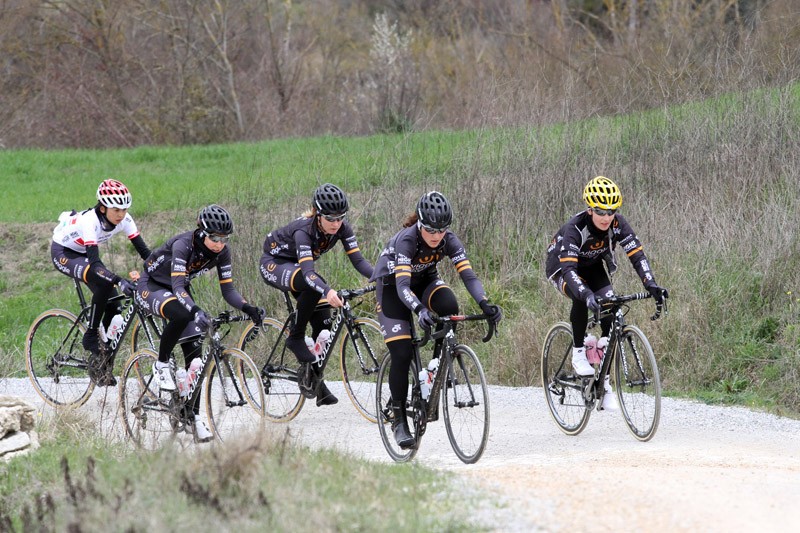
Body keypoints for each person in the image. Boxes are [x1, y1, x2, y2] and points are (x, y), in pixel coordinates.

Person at [370, 191, 502, 449]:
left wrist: (485, 303)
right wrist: (419, 310)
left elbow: (469, 276)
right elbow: (403, 286)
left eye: (441, 230)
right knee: (401, 351)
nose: (436, 235)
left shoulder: (448, 240)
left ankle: (434, 368)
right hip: (392, 287)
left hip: (425, 280)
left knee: (448, 306)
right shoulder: (406, 241)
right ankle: (398, 420)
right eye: (430, 229)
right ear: (419, 223)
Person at [135, 204, 264, 442]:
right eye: (215, 237)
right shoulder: (183, 245)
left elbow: (228, 290)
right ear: (202, 232)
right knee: (183, 314)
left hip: (180, 289)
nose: (220, 243)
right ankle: (161, 364)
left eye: (224, 238)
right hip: (153, 286)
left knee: (195, 358)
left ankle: (191, 416)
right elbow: (176, 287)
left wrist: (248, 308)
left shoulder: (222, 252)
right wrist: (195, 310)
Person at [545, 176, 668, 410]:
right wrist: (587, 294)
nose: (606, 217)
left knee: (611, 309)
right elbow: (570, 271)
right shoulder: (575, 228)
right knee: (581, 297)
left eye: (611, 211)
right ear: (590, 209)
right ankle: (579, 352)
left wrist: (651, 285)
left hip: (592, 267)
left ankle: (604, 381)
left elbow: (637, 255)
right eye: (601, 211)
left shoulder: (617, 224)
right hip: (562, 267)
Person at [259, 183, 374, 407]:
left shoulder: (342, 228)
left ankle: (315, 383)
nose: (336, 223)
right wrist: (327, 290)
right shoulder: (304, 231)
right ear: (317, 215)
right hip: (276, 264)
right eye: (330, 219)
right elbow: (309, 273)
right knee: (315, 285)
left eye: (340, 218)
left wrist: (380, 277)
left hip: (299, 269)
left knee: (323, 324)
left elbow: (358, 261)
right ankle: (295, 337)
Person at [51, 179, 150, 386]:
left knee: (114, 305)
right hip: (64, 252)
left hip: (85, 254)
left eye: (124, 209)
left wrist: (163, 271)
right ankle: (90, 335)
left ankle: (100, 361)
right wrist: (119, 280)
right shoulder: (90, 221)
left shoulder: (125, 219)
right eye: (116, 210)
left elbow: (145, 253)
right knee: (106, 283)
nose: (121, 214)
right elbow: (95, 265)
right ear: (103, 207)